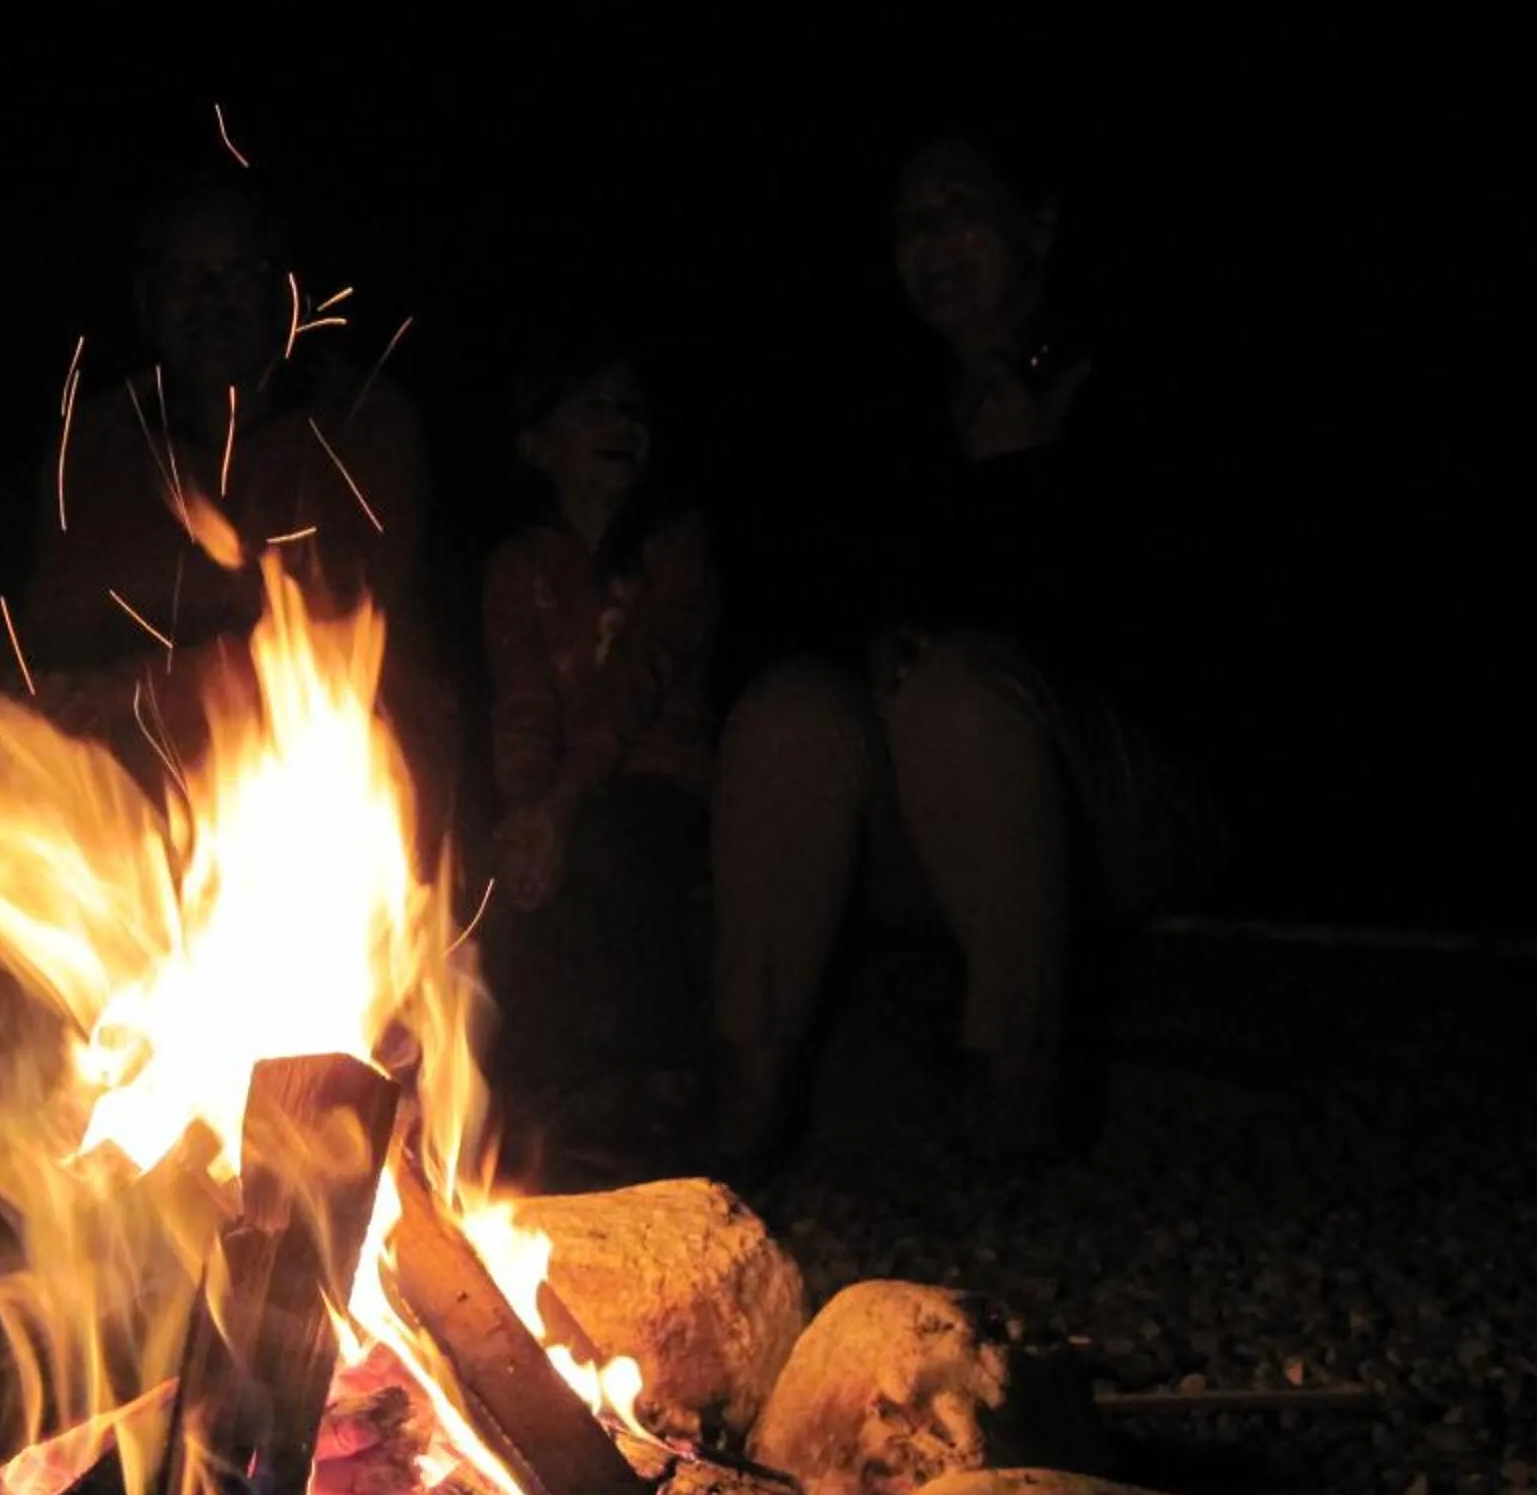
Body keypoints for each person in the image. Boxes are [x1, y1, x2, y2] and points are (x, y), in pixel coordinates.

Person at [705, 121, 1233, 1169]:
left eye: (960, 210)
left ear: (1038, 228)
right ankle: (744, 1093)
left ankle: (1016, 1087)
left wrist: (1027, 483)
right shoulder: (893, 416)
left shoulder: (1134, 381)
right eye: (911, 223)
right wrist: (875, 641)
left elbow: (1157, 639)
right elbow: (816, 594)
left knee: (958, 693)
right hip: (939, 810)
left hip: (1123, 810)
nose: (932, 241)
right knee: (792, 712)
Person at [19, 165, 459, 865]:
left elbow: (336, 641)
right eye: (184, 278)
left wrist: (157, 684)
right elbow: (58, 632)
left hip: (336, 769)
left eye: (238, 275)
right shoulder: (97, 443)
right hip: (130, 789)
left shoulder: (360, 424)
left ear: (285, 293)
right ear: (146, 300)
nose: (211, 303)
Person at [474, 334, 720, 1172]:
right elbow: (521, 701)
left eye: (632, 410)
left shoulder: (676, 547)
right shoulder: (516, 567)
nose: (622, 425)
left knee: (617, 845)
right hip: (561, 792)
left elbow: (643, 679)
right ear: (538, 444)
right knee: (501, 877)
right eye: (595, 408)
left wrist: (564, 804)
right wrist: (527, 812)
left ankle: (657, 1080)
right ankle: (531, 1090)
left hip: (665, 779)